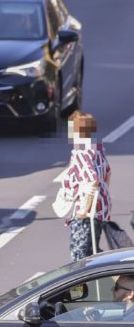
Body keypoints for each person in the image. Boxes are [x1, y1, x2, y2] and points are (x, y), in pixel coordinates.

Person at [60, 111, 110, 261]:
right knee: (91, 256)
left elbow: (92, 180)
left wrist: (83, 210)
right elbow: (107, 173)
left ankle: (82, 286)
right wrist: (101, 198)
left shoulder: (80, 153)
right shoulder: (97, 149)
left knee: (79, 260)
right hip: (100, 212)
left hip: (87, 213)